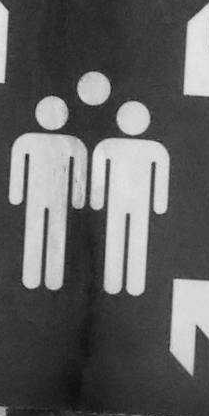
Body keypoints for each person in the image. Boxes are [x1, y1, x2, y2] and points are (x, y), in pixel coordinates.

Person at [88, 98, 169, 297]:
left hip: (139, 204)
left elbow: (160, 178)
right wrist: (96, 201)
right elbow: (99, 175)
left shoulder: (155, 150)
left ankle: (134, 285)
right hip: (117, 203)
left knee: (137, 240)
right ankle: (113, 284)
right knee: (115, 238)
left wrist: (159, 204)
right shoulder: (109, 145)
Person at [7, 93, 85, 289]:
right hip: (37, 196)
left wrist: (77, 200)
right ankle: (32, 278)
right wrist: (16, 195)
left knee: (56, 233)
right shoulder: (28, 141)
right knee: (35, 232)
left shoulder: (70, 143)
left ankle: (52, 279)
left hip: (58, 198)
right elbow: (18, 169)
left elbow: (78, 171)